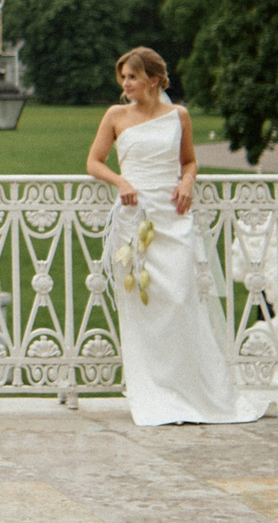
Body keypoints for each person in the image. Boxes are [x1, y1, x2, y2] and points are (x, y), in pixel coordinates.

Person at [84, 46, 267, 427]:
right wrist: (121, 181)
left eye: (132, 77)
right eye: (123, 78)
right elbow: (93, 161)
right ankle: (151, 391)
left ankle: (191, 390)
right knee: (144, 306)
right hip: (136, 218)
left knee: (181, 301)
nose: (126, 84)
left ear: (153, 79)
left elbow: (189, 160)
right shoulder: (116, 116)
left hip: (174, 216)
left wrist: (187, 181)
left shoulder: (178, 116)